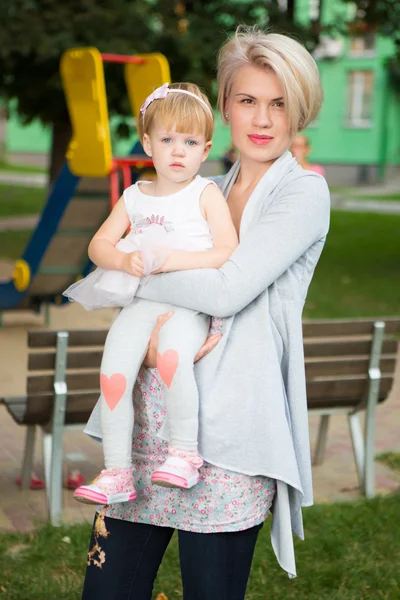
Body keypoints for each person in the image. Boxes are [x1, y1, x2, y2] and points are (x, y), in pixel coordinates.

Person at [82, 24, 330, 599]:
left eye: (279, 103)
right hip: (151, 422)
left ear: (300, 111)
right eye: (247, 101)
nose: (263, 119)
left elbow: (225, 292)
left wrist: (144, 269)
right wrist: (141, 293)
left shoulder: (302, 195)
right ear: (224, 107)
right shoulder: (201, 187)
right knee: (106, 591)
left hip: (231, 435)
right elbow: (111, 269)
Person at [64, 82, 238, 504]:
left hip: (187, 304)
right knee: (113, 375)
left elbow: (228, 250)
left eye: (190, 141)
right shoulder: (134, 196)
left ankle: (183, 453)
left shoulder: (206, 194)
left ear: (206, 148)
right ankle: (117, 471)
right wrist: (123, 261)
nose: (178, 151)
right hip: (141, 303)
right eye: (167, 139)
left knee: (173, 360)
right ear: (147, 143)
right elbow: (98, 246)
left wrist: (172, 258)